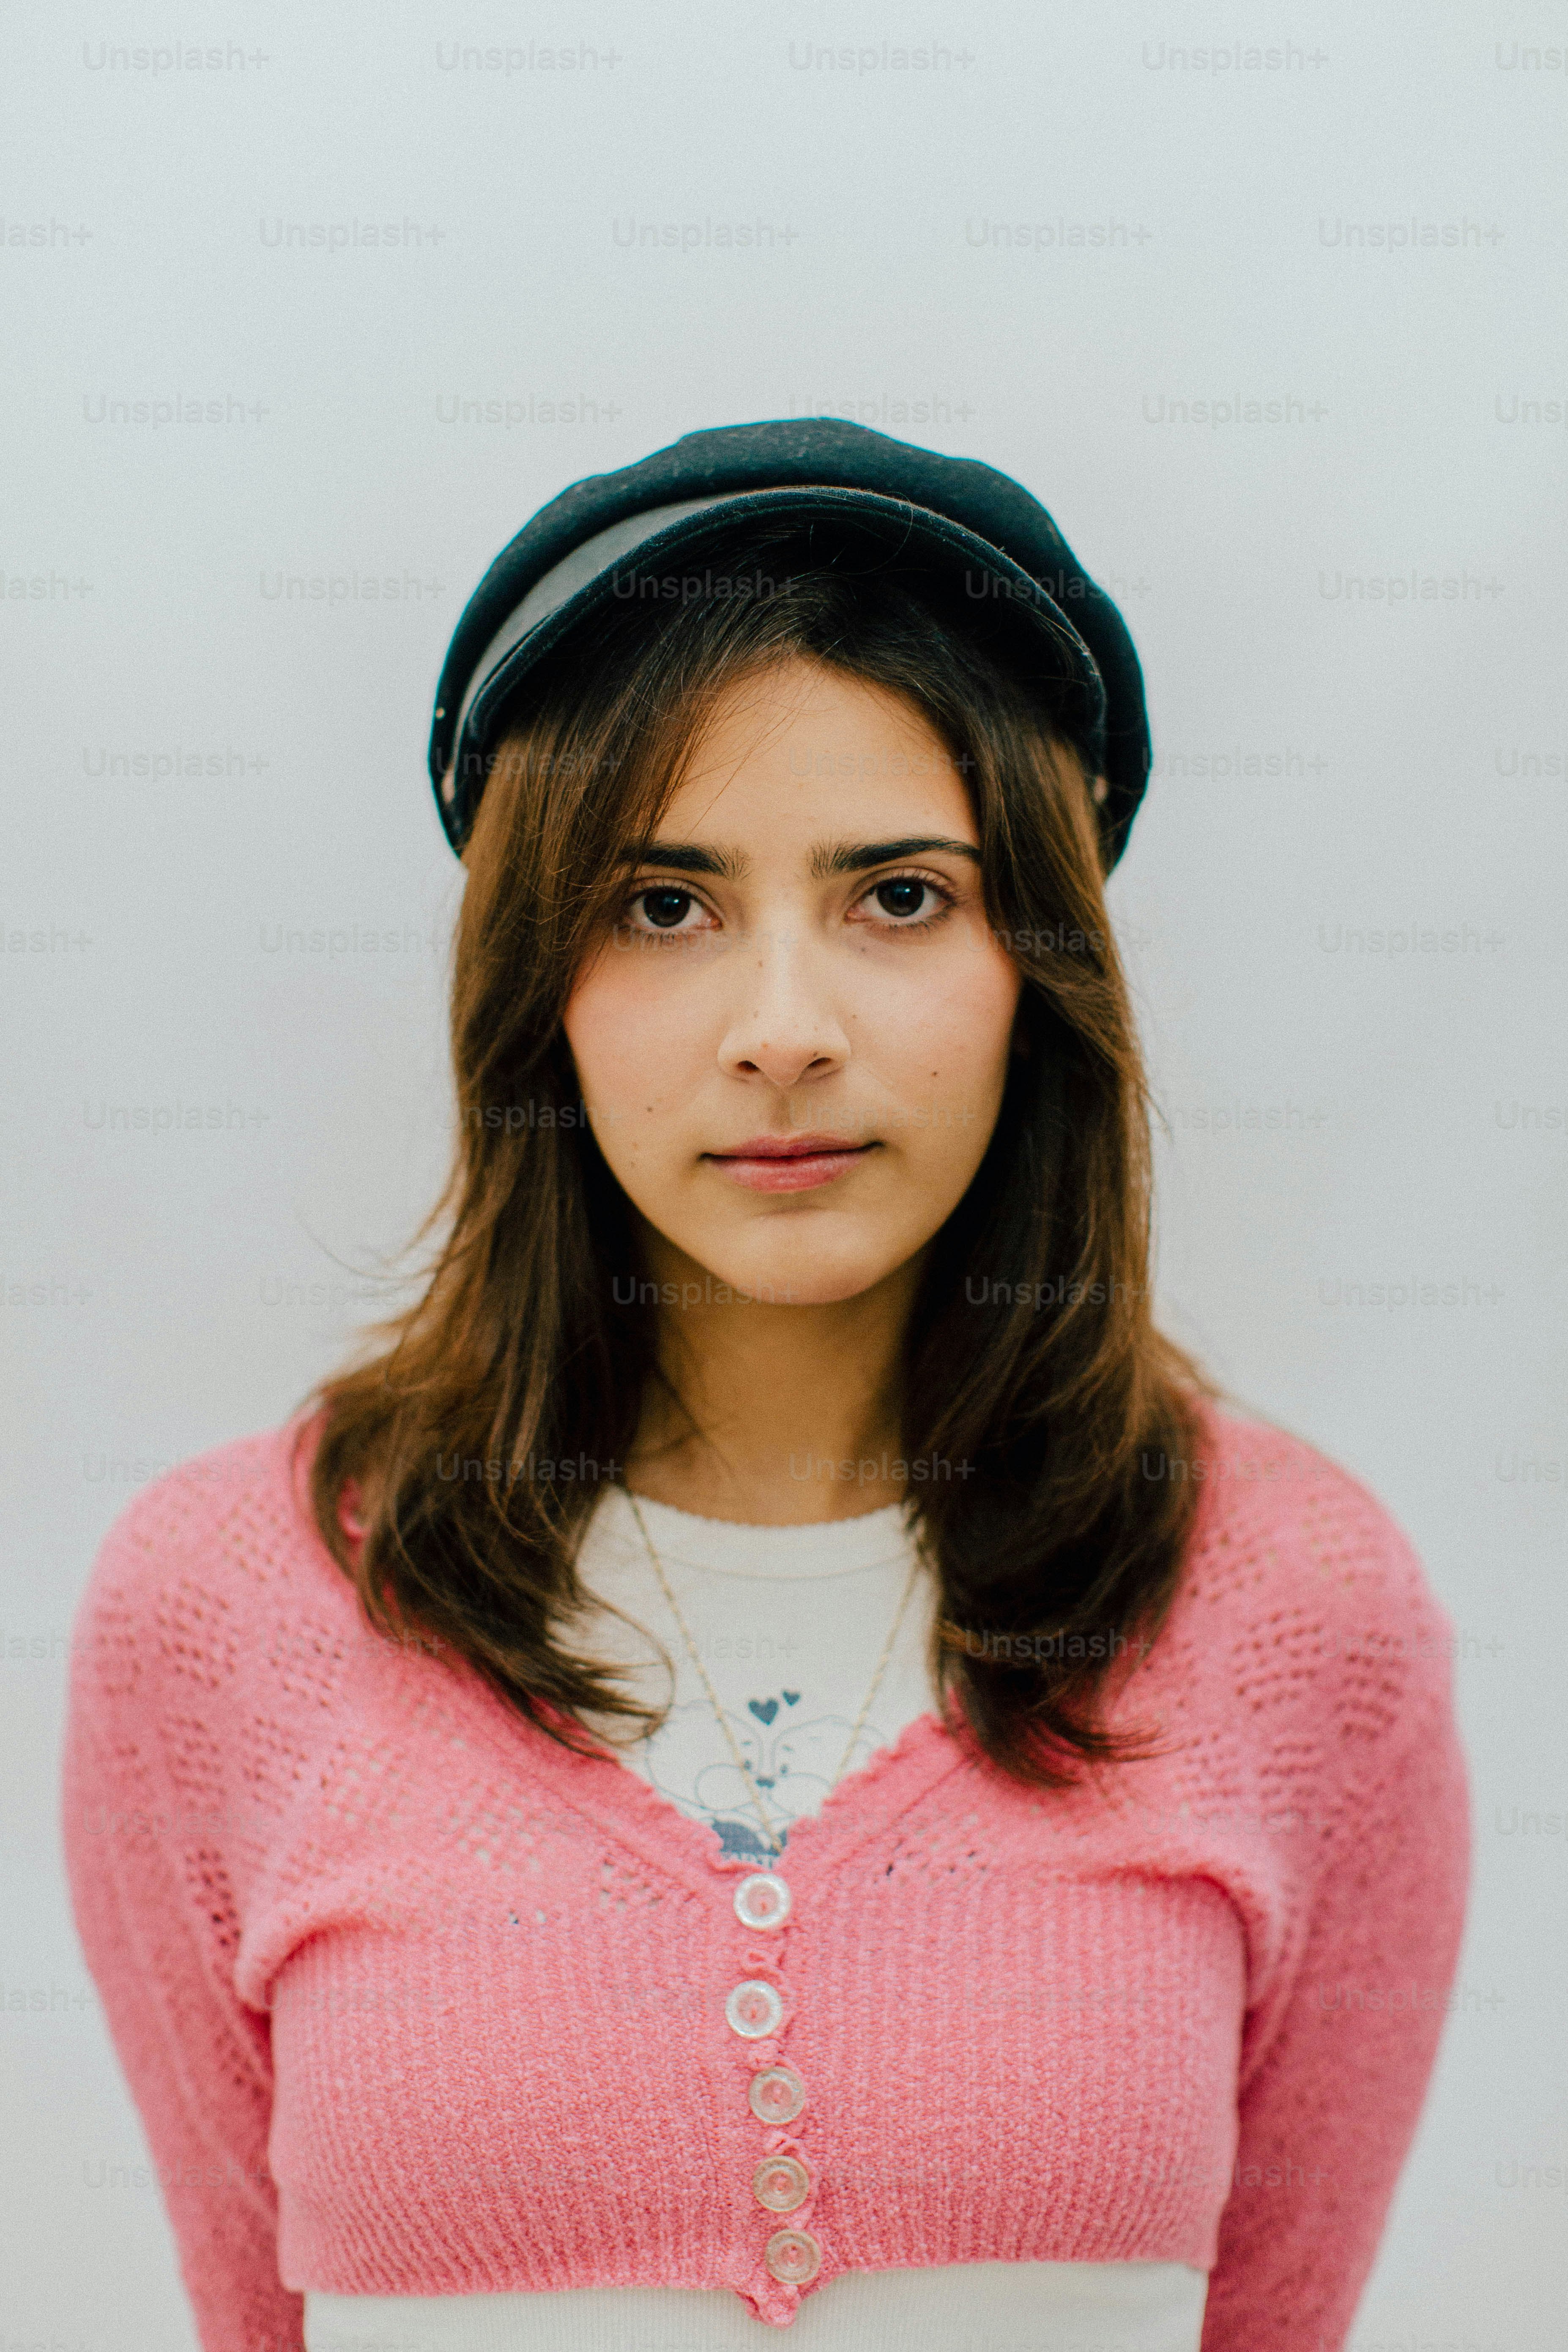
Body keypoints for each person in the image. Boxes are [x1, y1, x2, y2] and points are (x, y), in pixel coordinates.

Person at [63, 421, 1470, 2352]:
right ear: (533, 975)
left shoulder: (1299, 1600)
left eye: (898, 896)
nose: (784, 1032)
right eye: (663, 903)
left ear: (1032, 962)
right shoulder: (226, 1601)